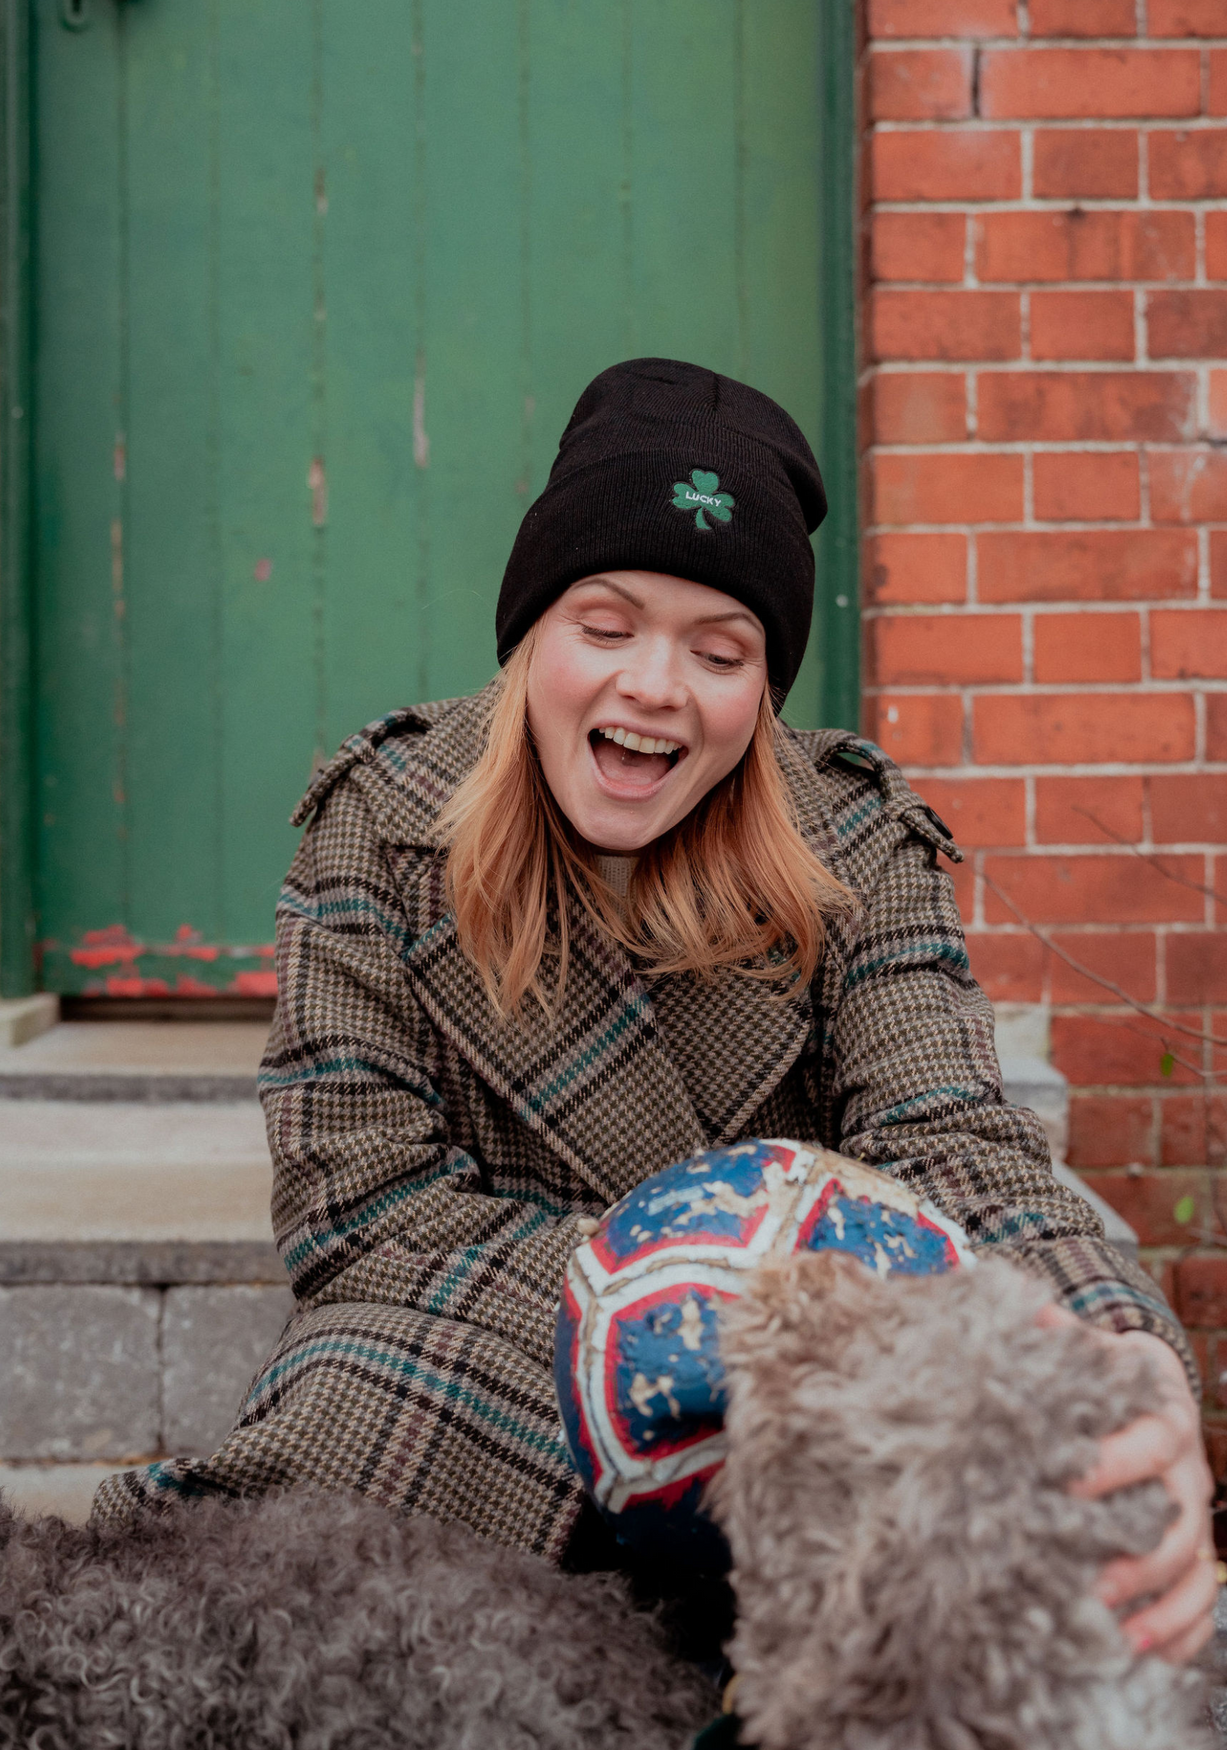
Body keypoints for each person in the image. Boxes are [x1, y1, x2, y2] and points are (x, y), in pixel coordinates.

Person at [94, 358, 1216, 1665]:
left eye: (719, 649)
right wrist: (684, 1306)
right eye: (606, 622)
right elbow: (363, 1215)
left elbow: (952, 1136)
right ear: (533, 632)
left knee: (1026, 1543)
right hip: (495, 1353)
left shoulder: (855, 839)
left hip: (806, 1390)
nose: (654, 687)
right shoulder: (387, 819)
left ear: (763, 685)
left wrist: (1115, 1344)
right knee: (284, 1525)